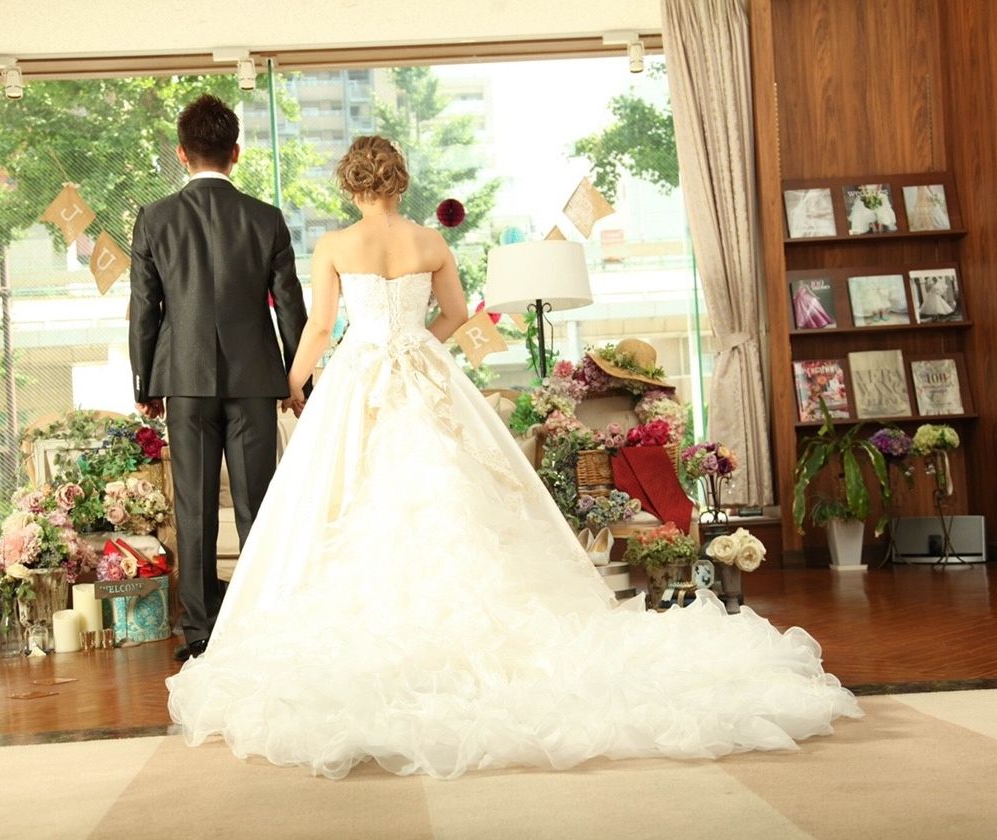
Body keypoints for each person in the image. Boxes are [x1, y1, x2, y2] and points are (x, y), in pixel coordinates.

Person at [166, 135, 862, 780]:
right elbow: (454, 315)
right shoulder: (430, 241)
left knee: (346, 497)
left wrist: (294, 384)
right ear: (399, 182)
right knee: (454, 490)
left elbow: (320, 325)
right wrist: (418, 343)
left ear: (350, 186)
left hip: (358, 375)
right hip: (423, 371)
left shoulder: (335, 245)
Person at [129, 94, 308, 662]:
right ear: (236, 152)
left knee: (195, 509)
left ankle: (200, 632)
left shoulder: (154, 219)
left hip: (182, 381)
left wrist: (145, 384)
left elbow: (144, 309)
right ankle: (259, 626)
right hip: (255, 381)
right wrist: (299, 381)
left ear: (182, 154)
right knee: (258, 508)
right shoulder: (266, 218)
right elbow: (290, 306)